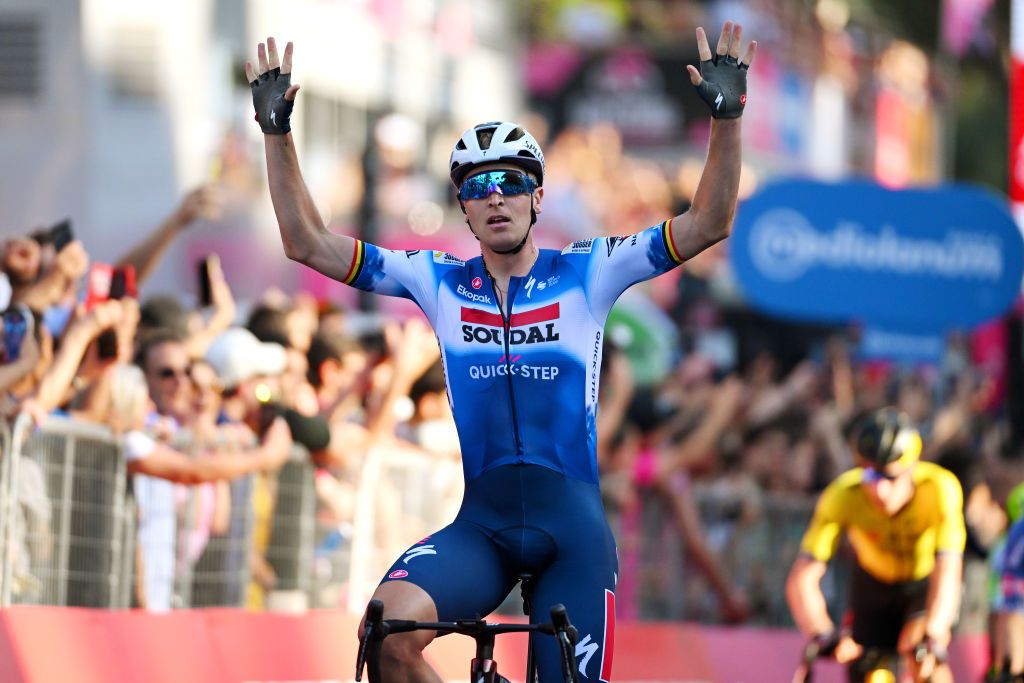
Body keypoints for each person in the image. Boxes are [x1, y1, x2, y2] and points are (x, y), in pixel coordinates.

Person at [247, 20, 755, 682]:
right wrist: (278, 136)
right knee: (386, 631)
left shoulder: (590, 270)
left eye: (511, 182)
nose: (496, 198)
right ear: (462, 205)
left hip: (570, 533)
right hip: (481, 527)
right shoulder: (438, 282)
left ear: (539, 196)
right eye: (477, 186)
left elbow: (709, 222)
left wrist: (729, 121)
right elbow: (307, 243)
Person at [785, 408, 965, 683]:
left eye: (891, 478)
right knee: (866, 669)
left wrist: (935, 633)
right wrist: (821, 631)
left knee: (923, 658)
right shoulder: (842, 495)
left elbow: (948, 569)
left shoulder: (939, 489)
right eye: (871, 477)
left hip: (922, 584)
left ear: (913, 467)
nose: (880, 491)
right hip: (871, 585)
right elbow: (803, 577)